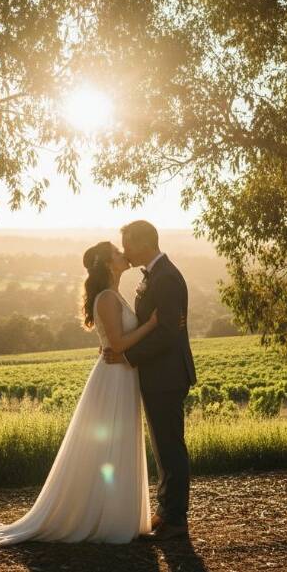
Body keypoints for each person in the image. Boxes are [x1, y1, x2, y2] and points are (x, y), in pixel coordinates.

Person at [0, 241, 157, 546]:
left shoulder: (113, 295)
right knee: (109, 445)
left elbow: (113, 342)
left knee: (118, 443)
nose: (123, 253)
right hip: (113, 378)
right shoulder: (107, 297)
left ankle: (116, 514)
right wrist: (151, 325)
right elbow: (118, 345)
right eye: (116, 252)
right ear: (107, 263)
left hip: (123, 375)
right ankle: (104, 518)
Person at [103, 219, 196, 541]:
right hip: (158, 374)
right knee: (163, 448)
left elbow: (168, 333)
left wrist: (128, 356)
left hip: (167, 374)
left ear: (143, 243)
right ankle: (166, 511)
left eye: (127, 244)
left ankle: (176, 520)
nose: (125, 250)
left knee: (170, 448)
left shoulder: (166, 277)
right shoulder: (156, 274)